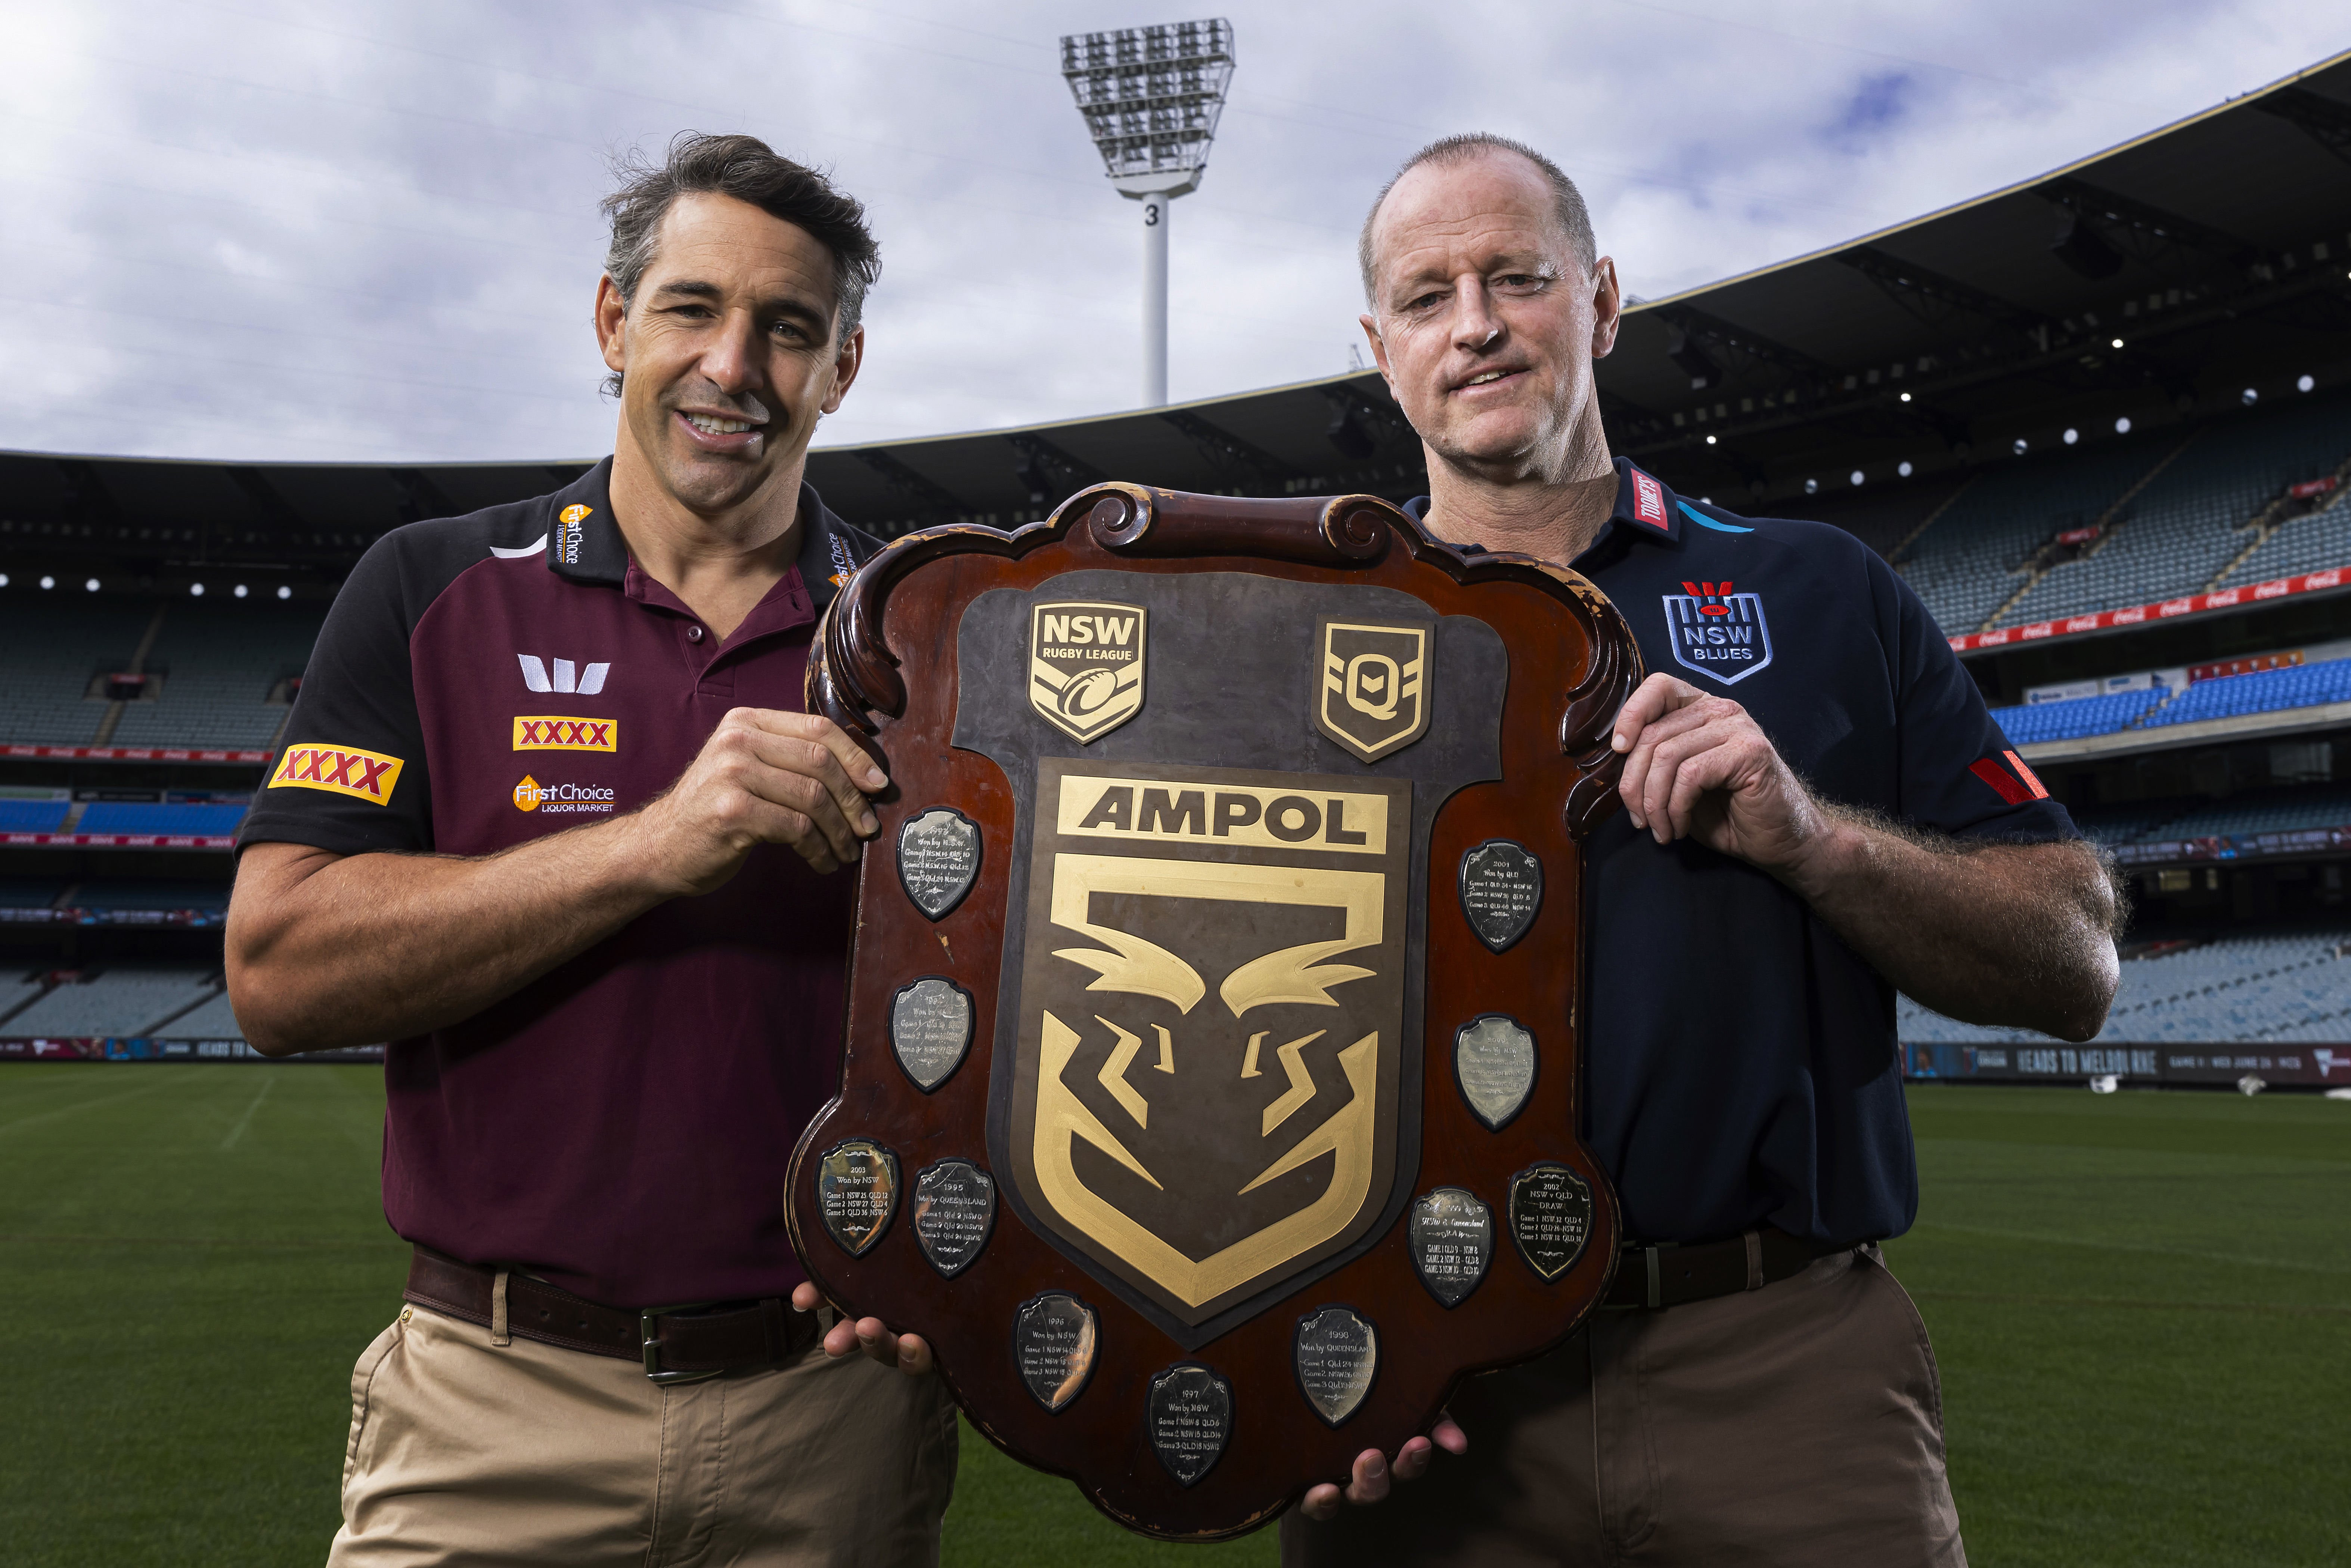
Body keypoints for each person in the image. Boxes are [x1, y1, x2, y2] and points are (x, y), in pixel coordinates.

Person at [1282, 134, 2121, 1566]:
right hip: (1424, 1371)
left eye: (1517, 277)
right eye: (1427, 297)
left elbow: (2075, 961)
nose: (1474, 322)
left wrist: (1813, 840)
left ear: (1602, 300)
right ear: (1381, 349)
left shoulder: (1819, 589)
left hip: (1781, 1362)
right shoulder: (1292, 649)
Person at [225, 133, 955, 1567]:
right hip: (495, 1405)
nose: (734, 366)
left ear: (845, 366)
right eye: (692, 308)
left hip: (835, 1417)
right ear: (615, 321)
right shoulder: (431, 590)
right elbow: (275, 969)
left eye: (789, 329)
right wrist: (657, 843)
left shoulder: (932, 642)